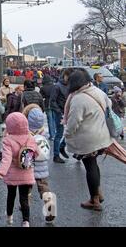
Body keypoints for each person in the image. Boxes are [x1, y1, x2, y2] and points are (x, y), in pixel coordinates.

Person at [64, 70, 114, 211]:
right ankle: (98, 193)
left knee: (90, 167)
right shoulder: (97, 91)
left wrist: (67, 134)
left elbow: (73, 122)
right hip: (101, 135)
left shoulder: (79, 98)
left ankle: (94, 200)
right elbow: (108, 104)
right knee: (94, 165)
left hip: (88, 139)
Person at [0, 112, 37, 228]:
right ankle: (26, 221)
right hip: (26, 172)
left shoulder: (8, 140)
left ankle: (9, 217)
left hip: (12, 175)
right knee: (24, 198)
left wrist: (1, 172)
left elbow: (6, 158)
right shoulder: (30, 137)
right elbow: (36, 153)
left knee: (11, 195)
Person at [23, 105, 55, 223]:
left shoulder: (26, 133)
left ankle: (25, 205)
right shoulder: (44, 133)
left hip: (29, 166)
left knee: (26, 187)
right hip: (42, 166)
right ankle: (49, 201)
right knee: (43, 186)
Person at [50, 69, 72, 163]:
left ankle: (62, 146)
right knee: (59, 133)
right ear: (65, 75)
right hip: (59, 112)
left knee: (71, 131)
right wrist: (59, 112)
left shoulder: (70, 86)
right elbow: (52, 101)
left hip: (68, 111)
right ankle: (56, 155)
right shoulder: (57, 86)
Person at [40, 75, 56, 142]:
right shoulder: (54, 86)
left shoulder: (43, 88)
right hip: (54, 104)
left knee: (50, 120)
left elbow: (41, 96)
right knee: (54, 120)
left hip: (47, 104)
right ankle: (54, 134)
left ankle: (51, 135)